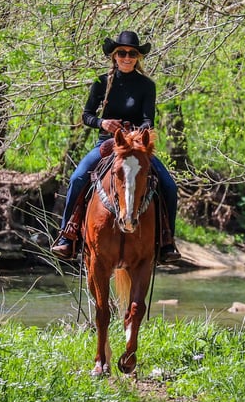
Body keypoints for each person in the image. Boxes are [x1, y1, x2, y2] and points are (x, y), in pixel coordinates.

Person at [51, 30, 181, 263]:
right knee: (78, 177)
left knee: (169, 186)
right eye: (122, 53)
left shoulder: (146, 85)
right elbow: (87, 115)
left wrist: (137, 132)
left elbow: (148, 119)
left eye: (132, 53)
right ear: (114, 55)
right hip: (107, 143)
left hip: (136, 145)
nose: (127, 57)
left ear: (138, 57)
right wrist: (103, 122)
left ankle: (167, 241)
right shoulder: (101, 82)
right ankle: (67, 236)